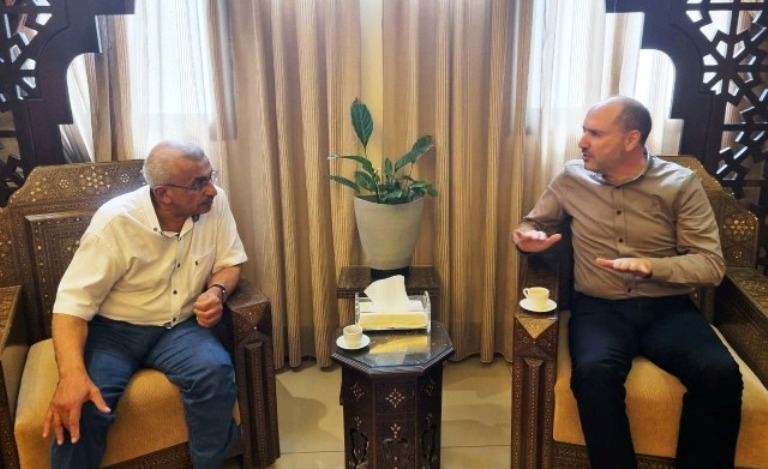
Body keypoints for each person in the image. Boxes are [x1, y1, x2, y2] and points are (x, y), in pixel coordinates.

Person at [513, 96, 743, 469]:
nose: (582, 142)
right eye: (584, 131)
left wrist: (652, 267)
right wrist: (527, 237)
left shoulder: (680, 184)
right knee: (594, 375)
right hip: (599, 309)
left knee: (720, 374)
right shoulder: (571, 178)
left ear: (631, 139)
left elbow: (711, 265)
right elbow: (534, 222)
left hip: (668, 309)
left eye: (595, 133)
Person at [43, 140, 248, 468]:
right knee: (83, 405)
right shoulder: (115, 223)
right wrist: (71, 376)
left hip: (180, 327)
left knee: (215, 373)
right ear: (163, 193)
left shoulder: (215, 203)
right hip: (113, 332)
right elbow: (71, 306)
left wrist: (216, 292)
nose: (211, 190)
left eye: (211, 176)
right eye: (198, 183)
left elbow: (230, 261)